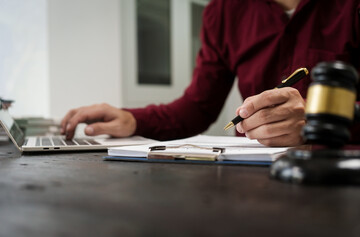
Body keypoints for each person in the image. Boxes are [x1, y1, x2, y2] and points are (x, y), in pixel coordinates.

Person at [61, 0, 360, 147]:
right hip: (260, 186)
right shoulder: (224, 11)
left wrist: (320, 119)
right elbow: (198, 107)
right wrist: (134, 120)